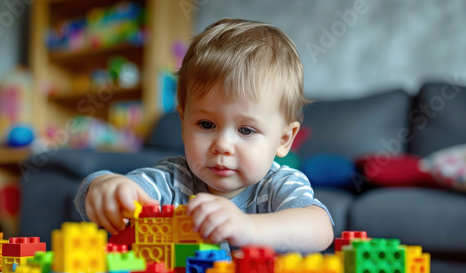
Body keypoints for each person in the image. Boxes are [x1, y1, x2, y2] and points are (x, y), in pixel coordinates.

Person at [74, 18, 333, 253]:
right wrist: (106, 186)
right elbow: (130, 192)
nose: (222, 145)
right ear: (183, 123)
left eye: (246, 130)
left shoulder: (278, 185)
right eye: (207, 124)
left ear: (284, 139)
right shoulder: (173, 180)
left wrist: (248, 228)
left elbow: (319, 229)